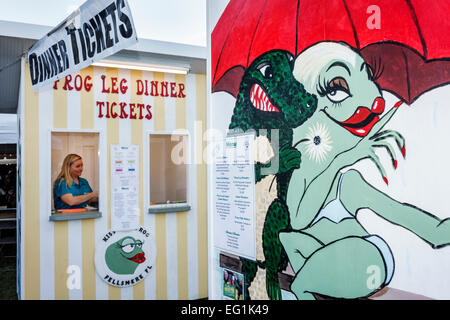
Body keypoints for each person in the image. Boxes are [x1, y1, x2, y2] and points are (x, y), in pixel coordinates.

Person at [278, 41, 450, 300]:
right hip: (322, 269)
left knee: (310, 276)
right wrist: (342, 158)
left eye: (368, 76)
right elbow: (299, 220)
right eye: (336, 89)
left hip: (371, 258)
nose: (375, 102)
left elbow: (413, 221)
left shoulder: (348, 184)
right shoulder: (300, 174)